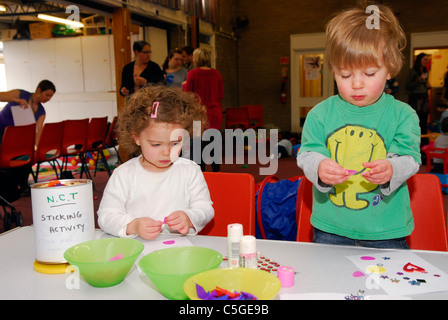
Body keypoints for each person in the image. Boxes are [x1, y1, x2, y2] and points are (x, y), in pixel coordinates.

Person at [296, 5, 421, 249]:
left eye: (369, 73)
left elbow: (410, 158)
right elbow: (307, 154)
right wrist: (319, 166)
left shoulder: (403, 115)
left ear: (389, 69)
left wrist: (391, 168)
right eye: (344, 75)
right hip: (330, 227)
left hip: (385, 229)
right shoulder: (319, 115)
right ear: (333, 70)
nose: (356, 84)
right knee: (329, 284)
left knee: (390, 285)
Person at [97, 85, 213, 240]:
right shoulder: (124, 174)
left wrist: (189, 217)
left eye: (175, 143)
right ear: (137, 138)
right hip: (137, 249)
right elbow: (106, 215)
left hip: (178, 248)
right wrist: (133, 225)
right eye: (156, 144)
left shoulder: (189, 170)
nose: (166, 152)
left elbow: (205, 209)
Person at [183, 48, 224, 172]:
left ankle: (201, 172)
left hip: (199, 112)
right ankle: (216, 171)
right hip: (215, 111)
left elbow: (187, 93)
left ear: (196, 59)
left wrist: (184, 84)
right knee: (214, 142)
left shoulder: (193, 73)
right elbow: (221, 94)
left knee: (198, 145)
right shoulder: (217, 73)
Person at [0, 79, 56, 144]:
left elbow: (36, 133)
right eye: (47, 95)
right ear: (39, 90)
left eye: (50, 97)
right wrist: (16, 100)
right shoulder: (21, 94)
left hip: (12, 138)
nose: (48, 99)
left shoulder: (41, 112)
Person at [406, 52, 431, 134]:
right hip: (415, 98)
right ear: (420, 60)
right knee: (416, 119)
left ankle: (424, 140)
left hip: (424, 98)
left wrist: (427, 85)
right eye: (425, 59)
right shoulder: (412, 71)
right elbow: (408, 86)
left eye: (427, 60)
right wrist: (419, 80)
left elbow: (424, 84)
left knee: (424, 119)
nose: (426, 61)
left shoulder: (425, 71)